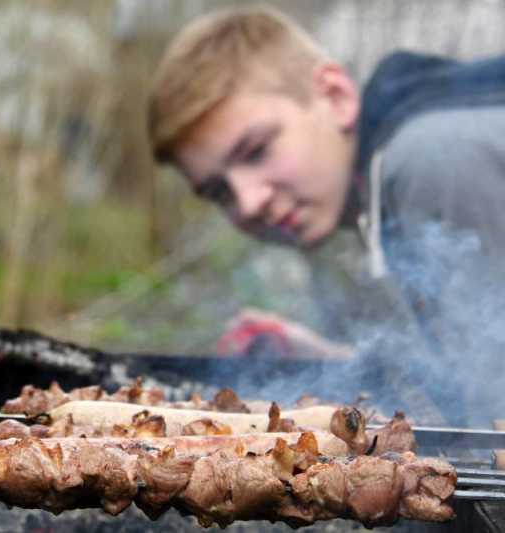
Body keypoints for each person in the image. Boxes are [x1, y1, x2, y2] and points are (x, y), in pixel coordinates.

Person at [147, 6, 505, 425]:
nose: (247, 203)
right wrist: (328, 359)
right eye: (218, 190)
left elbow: (493, 416)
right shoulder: (390, 170)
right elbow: (469, 376)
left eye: (257, 150)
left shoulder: (432, 160)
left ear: (335, 95)